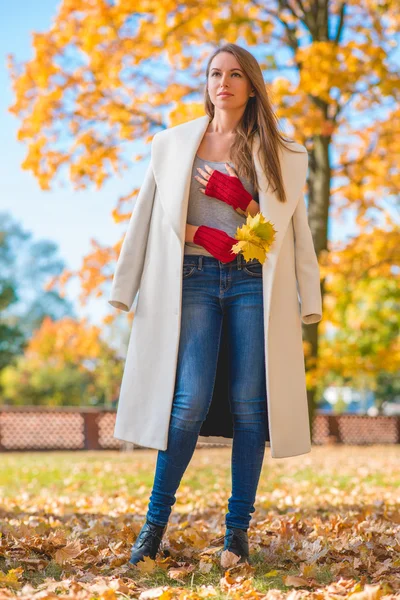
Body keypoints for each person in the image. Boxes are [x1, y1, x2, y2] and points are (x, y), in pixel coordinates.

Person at [123, 43, 320, 567]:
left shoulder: (278, 151)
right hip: (192, 276)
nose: (224, 82)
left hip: (252, 280)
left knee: (251, 407)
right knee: (186, 402)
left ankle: (236, 534)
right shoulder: (172, 144)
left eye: (235, 74)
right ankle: (152, 528)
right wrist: (197, 232)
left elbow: (287, 230)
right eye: (215, 73)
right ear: (206, 83)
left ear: (251, 85)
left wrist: (244, 202)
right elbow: (150, 216)